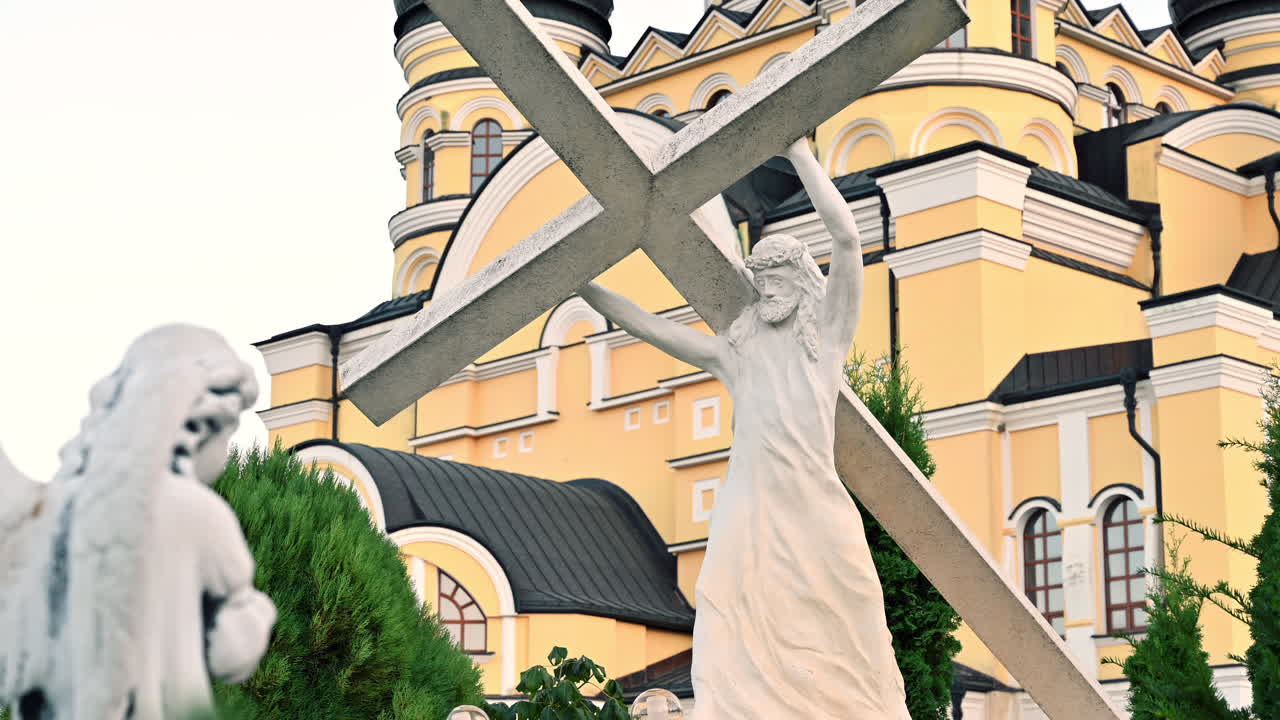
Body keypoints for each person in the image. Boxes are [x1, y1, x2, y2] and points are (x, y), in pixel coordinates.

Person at [577, 138, 909, 718]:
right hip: (750, 506)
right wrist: (583, 287)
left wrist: (801, 153)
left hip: (812, 499)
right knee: (731, 613)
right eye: (762, 279)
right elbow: (654, 329)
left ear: (804, 280)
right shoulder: (738, 351)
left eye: (779, 274)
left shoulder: (825, 337)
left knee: (850, 607)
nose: (768, 287)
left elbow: (848, 239)